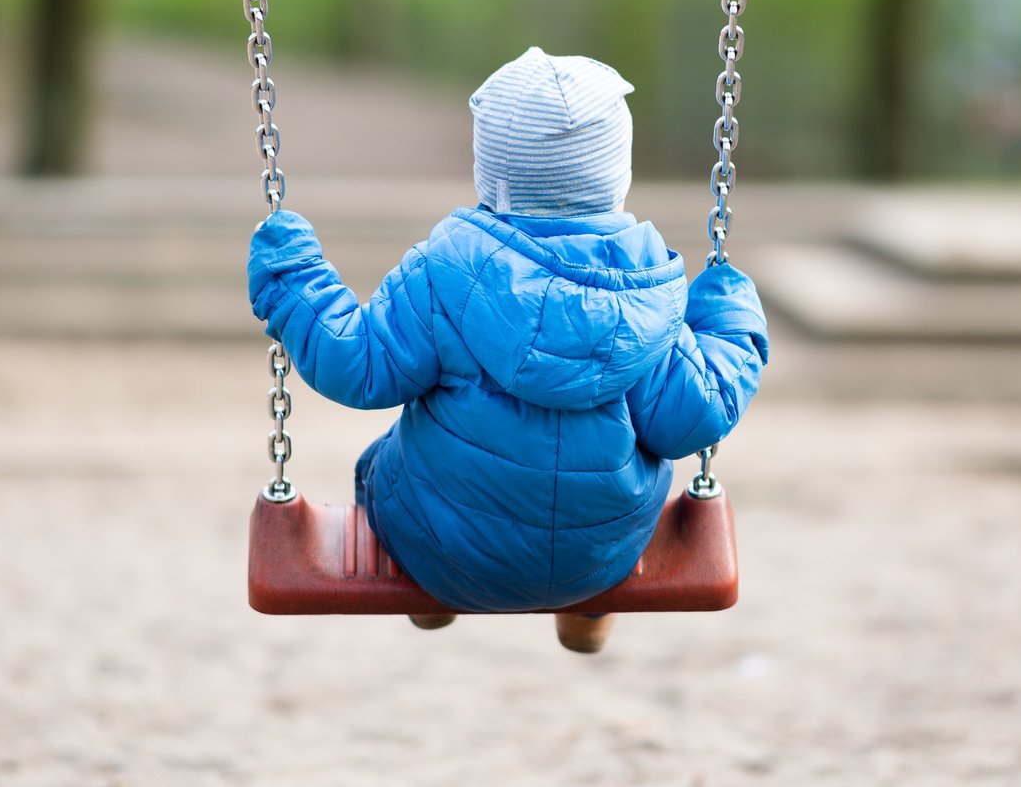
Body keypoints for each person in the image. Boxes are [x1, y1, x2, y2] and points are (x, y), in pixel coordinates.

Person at [247, 47, 769, 653]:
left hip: (440, 545)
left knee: (379, 465)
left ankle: (433, 597)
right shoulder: (648, 293)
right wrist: (728, 314)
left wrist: (294, 279)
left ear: (490, 176)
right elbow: (697, 414)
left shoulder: (444, 272)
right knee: (618, 485)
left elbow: (356, 363)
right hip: (600, 553)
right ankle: (586, 611)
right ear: (617, 178)